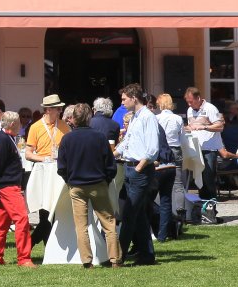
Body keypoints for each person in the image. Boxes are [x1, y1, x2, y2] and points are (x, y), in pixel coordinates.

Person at [56, 103, 120, 269]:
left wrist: (69, 181)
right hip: (98, 184)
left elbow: (61, 167)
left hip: (76, 185)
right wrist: (106, 180)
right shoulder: (100, 137)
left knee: (81, 225)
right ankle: (115, 259)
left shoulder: (67, 139)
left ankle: (87, 261)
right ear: (89, 117)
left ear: (73, 119)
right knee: (109, 223)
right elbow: (110, 165)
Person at [114, 84, 160, 266]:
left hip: (139, 170)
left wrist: (139, 167)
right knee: (138, 214)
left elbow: (153, 148)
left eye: (124, 99)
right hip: (130, 168)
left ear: (134, 98)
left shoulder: (148, 117)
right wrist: (112, 155)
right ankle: (147, 255)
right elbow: (127, 142)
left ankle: (119, 256)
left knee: (129, 213)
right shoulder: (134, 117)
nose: (122, 102)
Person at [0, 107, 33, 267]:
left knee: (0, 223)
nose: (21, 125)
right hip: (8, 186)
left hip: (7, 185)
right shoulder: (2, 140)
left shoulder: (7, 138)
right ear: (12, 124)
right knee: (22, 219)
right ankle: (24, 258)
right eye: (19, 122)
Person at [153, 93, 185, 242]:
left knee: (158, 187)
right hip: (175, 148)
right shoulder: (177, 118)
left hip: (161, 151)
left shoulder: (156, 118)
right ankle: (180, 214)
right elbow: (182, 138)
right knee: (178, 184)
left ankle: (160, 223)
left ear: (160, 104)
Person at [183, 87, 224, 196]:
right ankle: (202, 203)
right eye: (187, 102)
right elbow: (192, 126)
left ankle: (211, 203)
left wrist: (204, 127)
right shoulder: (189, 110)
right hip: (196, 148)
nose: (189, 104)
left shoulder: (211, 108)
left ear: (198, 98)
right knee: (198, 178)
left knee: (208, 177)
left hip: (209, 149)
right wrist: (186, 128)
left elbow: (220, 126)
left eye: (191, 102)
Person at [25, 95, 69, 162]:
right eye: (58, 109)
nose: (61, 111)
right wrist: (46, 159)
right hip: (43, 165)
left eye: (61, 108)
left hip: (61, 164)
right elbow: (28, 154)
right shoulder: (35, 127)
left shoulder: (65, 125)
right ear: (48, 110)